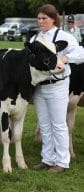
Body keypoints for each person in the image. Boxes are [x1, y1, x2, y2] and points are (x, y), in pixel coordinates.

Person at [31, 4, 84, 173]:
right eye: (39, 18)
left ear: (53, 19)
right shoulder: (35, 38)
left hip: (58, 85)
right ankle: (47, 158)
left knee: (59, 124)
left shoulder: (63, 36)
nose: (40, 21)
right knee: (44, 124)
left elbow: (81, 52)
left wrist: (66, 57)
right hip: (40, 86)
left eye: (44, 18)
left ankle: (62, 162)